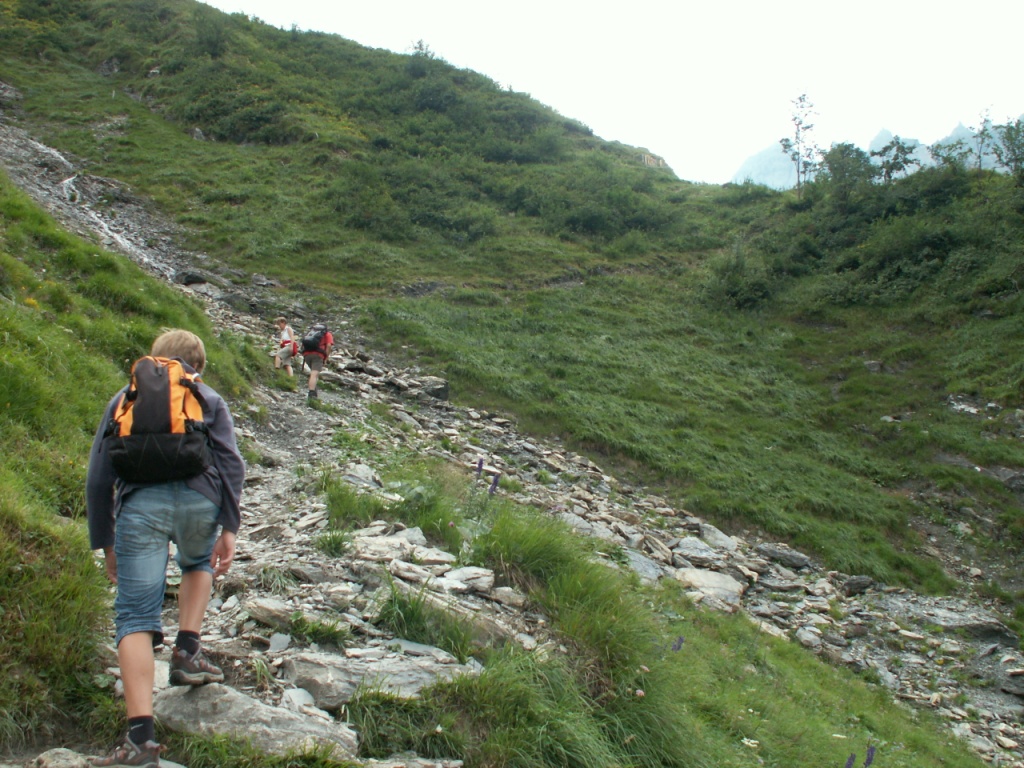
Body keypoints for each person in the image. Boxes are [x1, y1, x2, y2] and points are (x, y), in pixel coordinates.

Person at [85, 330, 246, 767]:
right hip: (200, 502)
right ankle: (187, 651)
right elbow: (231, 464)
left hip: (140, 508)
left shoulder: (126, 397)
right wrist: (230, 527)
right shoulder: (207, 396)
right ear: (199, 364)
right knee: (197, 562)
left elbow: (99, 477)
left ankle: (140, 741)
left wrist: (105, 541)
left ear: (154, 359)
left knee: (135, 615)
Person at [302, 323, 333, 400]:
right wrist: (326, 357)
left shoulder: (311, 332)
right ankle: (312, 393)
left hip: (307, 355)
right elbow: (329, 346)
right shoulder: (327, 334)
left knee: (313, 373)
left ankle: (314, 392)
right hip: (318, 355)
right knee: (314, 374)